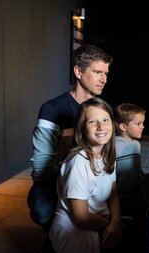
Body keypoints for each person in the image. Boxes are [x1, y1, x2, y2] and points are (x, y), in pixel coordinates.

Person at [26, 44, 113, 251]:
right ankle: (55, 238)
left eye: (106, 73)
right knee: (42, 210)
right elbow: (41, 167)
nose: (104, 79)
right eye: (98, 72)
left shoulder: (100, 110)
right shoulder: (52, 109)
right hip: (57, 179)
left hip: (93, 177)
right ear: (78, 71)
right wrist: (74, 184)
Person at [49, 97, 121, 253]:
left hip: (100, 220)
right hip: (75, 230)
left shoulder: (108, 154)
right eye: (92, 122)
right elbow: (81, 217)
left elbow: (113, 195)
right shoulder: (78, 162)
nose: (101, 126)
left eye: (105, 119)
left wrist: (116, 222)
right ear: (82, 129)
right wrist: (110, 225)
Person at [114, 103, 149, 252]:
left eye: (143, 123)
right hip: (120, 196)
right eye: (138, 123)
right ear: (123, 126)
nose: (143, 127)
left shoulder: (136, 145)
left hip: (135, 192)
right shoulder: (114, 146)